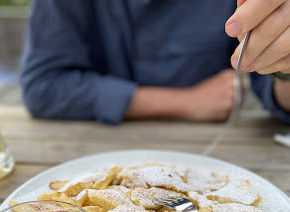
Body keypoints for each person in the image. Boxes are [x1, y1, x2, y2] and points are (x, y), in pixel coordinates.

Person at [21, 0, 290, 125]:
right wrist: (186, 102)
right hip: (86, 152)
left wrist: (285, 65)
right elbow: (43, 87)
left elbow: (275, 92)